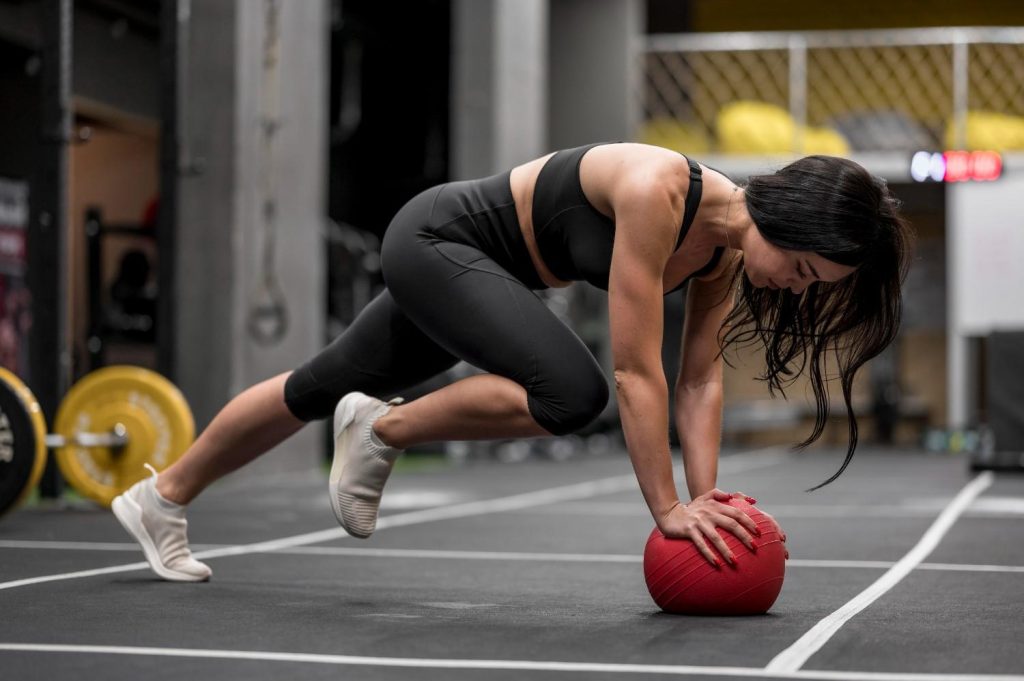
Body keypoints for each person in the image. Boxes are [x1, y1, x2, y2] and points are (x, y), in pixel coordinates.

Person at [111, 142, 912, 582]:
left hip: (480, 273)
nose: (795, 290)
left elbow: (699, 377)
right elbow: (640, 371)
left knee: (315, 384)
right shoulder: (659, 190)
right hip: (436, 241)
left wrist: (708, 502)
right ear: (785, 216)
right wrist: (667, 510)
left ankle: (162, 496)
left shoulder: (721, 257)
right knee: (575, 391)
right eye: (804, 271)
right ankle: (385, 426)